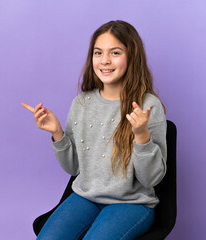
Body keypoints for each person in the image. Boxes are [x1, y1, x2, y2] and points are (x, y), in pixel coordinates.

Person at [21, 20, 167, 240]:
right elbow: (74, 169)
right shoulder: (81, 103)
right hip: (85, 197)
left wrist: (141, 136)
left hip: (131, 203)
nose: (105, 60)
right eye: (98, 53)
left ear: (132, 56)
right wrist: (57, 133)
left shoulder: (148, 106)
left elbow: (150, 180)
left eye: (115, 52)